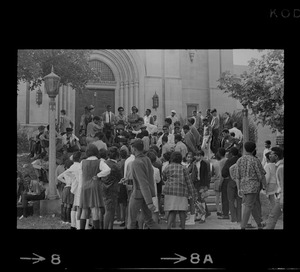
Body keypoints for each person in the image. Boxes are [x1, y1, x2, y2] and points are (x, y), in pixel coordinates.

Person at [126, 139, 160, 229]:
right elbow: (147, 178)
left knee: (131, 222)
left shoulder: (136, 162)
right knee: (149, 220)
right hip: (147, 193)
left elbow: (142, 182)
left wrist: (149, 202)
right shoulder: (147, 159)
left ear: (134, 148)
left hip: (137, 194)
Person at [235, 142, 266, 229]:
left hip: (243, 186)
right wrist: (264, 186)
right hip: (253, 186)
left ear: (245, 148)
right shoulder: (255, 160)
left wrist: (238, 188)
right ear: (254, 150)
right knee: (249, 206)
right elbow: (261, 175)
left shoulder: (239, 160)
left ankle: (259, 224)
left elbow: (237, 176)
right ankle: (243, 226)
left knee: (253, 205)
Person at [162, 151, 197, 229]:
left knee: (172, 210)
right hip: (182, 191)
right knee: (182, 210)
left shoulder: (168, 167)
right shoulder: (184, 168)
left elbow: (164, 177)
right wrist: (193, 193)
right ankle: (183, 227)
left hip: (169, 191)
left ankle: (168, 226)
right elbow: (189, 182)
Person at [77, 144, 106, 230]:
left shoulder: (82, 162)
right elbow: (108, 170)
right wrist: (99, 175)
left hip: (84, 186)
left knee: (84, 209)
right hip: (94, 186)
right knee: (94, 209)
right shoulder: (99, 162)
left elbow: (80, 177)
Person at [101, 146, 122, 229]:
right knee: (110, 210)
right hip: (113, 189)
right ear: (117, 155)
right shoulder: (116, 166)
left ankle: (108, 227)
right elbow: (120, 177)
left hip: (103, 188)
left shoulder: (104, 163)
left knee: (108, 210)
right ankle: (108, 227)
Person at [61, 151, 82, 230]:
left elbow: (62, 175)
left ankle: (72, 223)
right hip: (78, 188)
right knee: (77, 206)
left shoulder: (71, 168)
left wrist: (68, 181)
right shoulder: (80, 166)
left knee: (72, 206)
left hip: (70, 187)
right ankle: (77, 224)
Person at [264, 146, 284, 229]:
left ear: (276, 156)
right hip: (280, 196)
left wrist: (282, 199)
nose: (269, 156)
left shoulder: (280, 168)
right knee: (273, 216)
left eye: (271, 154)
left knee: (272, 216)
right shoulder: (279, 166)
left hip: (281, 197)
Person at [221, 147, 241, 222]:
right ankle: (239, 217)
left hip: (231, 181)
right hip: (240, 181)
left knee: (230, 200)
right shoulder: (240, 160)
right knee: (239, 200)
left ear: (231, 153)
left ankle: (232, 217)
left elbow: (224, 173)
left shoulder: (229, 161)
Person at [57, 159, 75, 224]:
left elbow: (58, 177)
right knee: (69, 204)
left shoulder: (65, 172)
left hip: (65, 188)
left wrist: (65, 182)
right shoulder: (72, 171)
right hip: (71, 188)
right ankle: (69, 220)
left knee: (65, 204)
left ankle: (64, 219)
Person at [211, 150, 226, 217]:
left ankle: (218, 210)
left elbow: (212, 173)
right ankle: (223, 210)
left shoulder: (214, 163)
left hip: (217, 180)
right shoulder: (226, 161)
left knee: (217, 196)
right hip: (224, 180)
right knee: (223, 197)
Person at [184, 152, 197, 225]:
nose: (189, 158)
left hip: (191, 186)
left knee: (192, 202)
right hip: (186, 186)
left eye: (190, 157)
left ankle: (192, 219)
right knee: (187, 202)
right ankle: (188, 217)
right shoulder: (185, 165)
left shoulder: (193, 166)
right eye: (188, 157)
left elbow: (193, 177)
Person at [117, 149, 128, 227]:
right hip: (126, 183)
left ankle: (121, 218)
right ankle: (125, 218)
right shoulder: (128, 162)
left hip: (120, 183)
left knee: (120, 203)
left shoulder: (118, 163)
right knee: (125, 202)